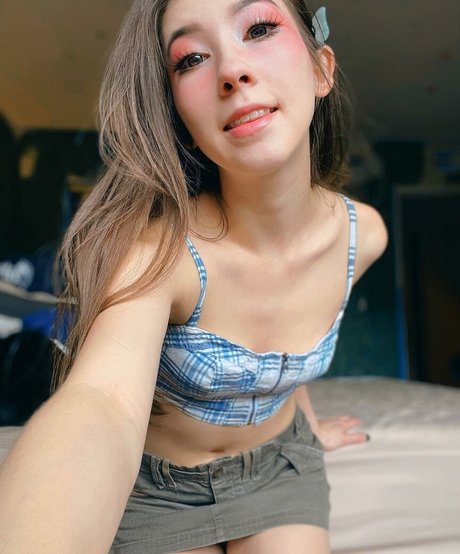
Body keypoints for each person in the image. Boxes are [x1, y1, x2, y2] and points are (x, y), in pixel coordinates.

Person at [0, 0, 388, 552]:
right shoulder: (157, 252)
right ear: (180, 114)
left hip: (281, 467)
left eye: (259, 28)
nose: (232, 71)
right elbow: (101, 402)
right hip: (158, 491)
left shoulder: (363, 237)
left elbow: (286, 345)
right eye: (191, 59)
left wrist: (309, 424)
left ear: (322, 70)